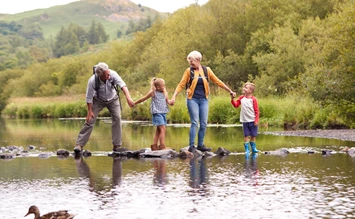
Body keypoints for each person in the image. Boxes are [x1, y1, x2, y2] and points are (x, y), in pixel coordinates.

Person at [170, 50, 236, 153]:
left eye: (192, 61)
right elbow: (181, 84)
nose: (190, 63)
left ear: (198, 60)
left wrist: (230, 91)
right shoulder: (188, 71)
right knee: (195, 122)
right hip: (192, 99)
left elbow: (217, 81)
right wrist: (174, 96)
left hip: (204, 99)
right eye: (189, 61)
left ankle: (200, 145)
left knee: (204, 123)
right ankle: (191, 146)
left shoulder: (207, 70)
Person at [74, 62, 135, 153]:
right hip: (98, 100)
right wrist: (90, 111)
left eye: (108, 72)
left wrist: (128, 97)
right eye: (106, 74)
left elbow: (123, 86)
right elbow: (89, 97)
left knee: (117, 118)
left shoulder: (112, 74)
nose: (109, 75)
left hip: (113, 99)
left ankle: (116, 146)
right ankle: (79, 145)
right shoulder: (92, 81)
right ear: (100, 75)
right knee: (90, 120)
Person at [134, 78, 172, 150]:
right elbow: (143, 99)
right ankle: (162, 146)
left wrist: (170, 102)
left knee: (158, 129)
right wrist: (135, 103)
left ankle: (154, 145)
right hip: (157, 113)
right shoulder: (153, 93)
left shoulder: (164, 92)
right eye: (163, 86)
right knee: (163, 129)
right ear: (158, 87)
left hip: (163, 112)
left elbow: (167, 100)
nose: (164, 87)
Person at [231, 82, 259, 154]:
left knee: (253, 135)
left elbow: (256, 111)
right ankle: (247, 149)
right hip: (245, 120)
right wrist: (232, 99)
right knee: (246, 135)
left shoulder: (253, 99)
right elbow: (236, 105)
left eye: (246, 88)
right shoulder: (241, 98)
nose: (244, 88)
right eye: (244, 87)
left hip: (252, 120)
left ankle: (253, 148)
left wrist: (256, 120)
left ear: (250, 91)